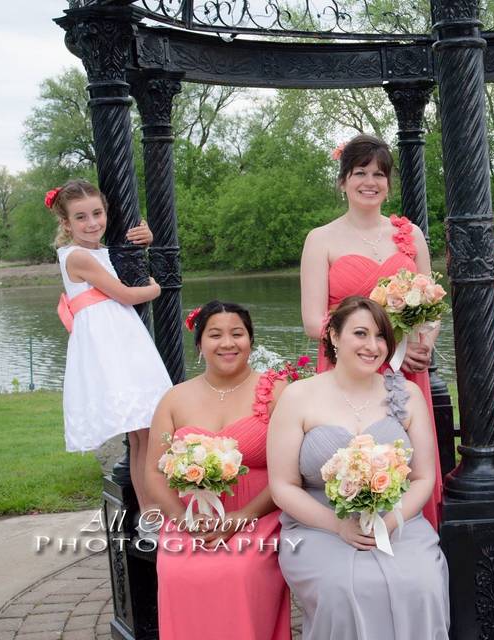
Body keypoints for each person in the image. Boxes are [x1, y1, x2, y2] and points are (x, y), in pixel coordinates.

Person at [269, 296, 449, 640]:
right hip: (318, 523)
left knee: (421, 583)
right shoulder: (298, 397)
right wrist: (339, 527)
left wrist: (389, 521)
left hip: (397, 519)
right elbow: (283, 486)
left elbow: (424, 476)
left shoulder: (407, 394)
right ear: (334, 337)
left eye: (381, 336)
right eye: (361, 334)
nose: (373, 346)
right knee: (342, 590)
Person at [300, 134, 442, 527]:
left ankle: (409, 534)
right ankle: (345, 531)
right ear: (343, 180)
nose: (370, 181)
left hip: (405, 368)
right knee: (350, 460)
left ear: (388, 184)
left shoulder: (409, 235)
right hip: (346, 367)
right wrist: (373, 343)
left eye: (379, 174)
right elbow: (314, 321)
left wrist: (422, 344)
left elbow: (431, 304)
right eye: (359, 172)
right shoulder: (321, 239)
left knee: (408, 460)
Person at [147, 301, 292, 640]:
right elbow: (153, 473)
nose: (227, 343)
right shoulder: (174, 398)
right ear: (199, 345)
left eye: (237, 334)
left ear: (250, 341)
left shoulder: (276, 393)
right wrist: (183, 521)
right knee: (175, 569)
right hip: (190, 518)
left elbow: (289, 472)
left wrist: (241, 516)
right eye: (215, 335)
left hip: (258, 515)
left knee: (239, 569)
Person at [48, 178, 171, 510]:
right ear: (66, 223)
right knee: (143, 434)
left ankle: (152, 510)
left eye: (97, 213)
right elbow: (127, 294)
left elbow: (124, 260)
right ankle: (151, 512)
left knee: (143, 434)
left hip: (124, 339)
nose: (92, 223)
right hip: (111, 346)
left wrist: (146, 236)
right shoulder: (77, 257)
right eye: (81, 217)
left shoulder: (99, 251)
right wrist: (156, 289)